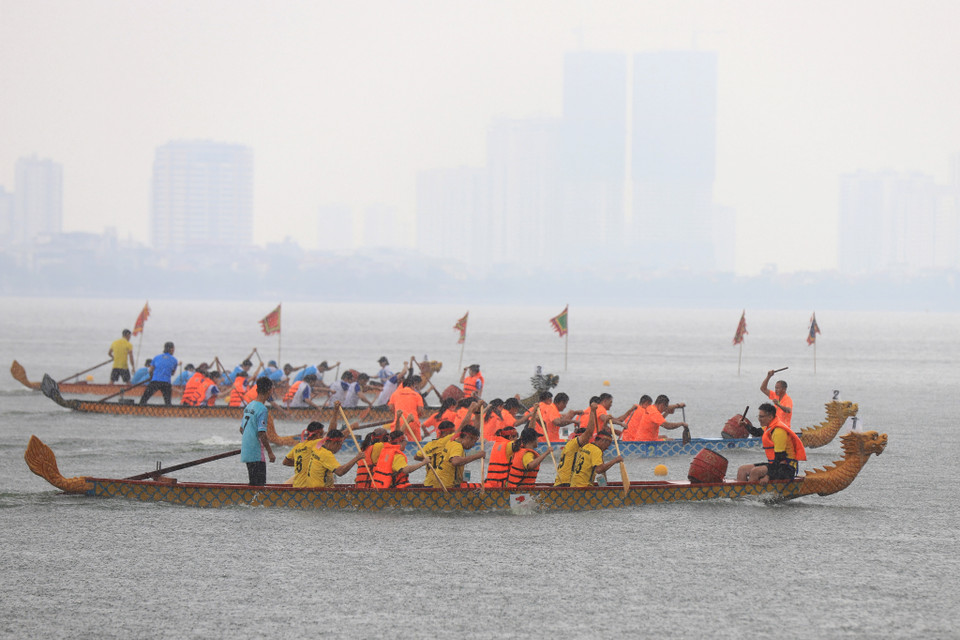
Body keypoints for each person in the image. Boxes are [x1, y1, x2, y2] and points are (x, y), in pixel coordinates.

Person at [736, 403, 807, 482]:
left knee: (755, 472)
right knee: (742, 470)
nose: (759, 419)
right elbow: (756, 432)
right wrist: (745, 425)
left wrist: (768, 476)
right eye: (759, 416)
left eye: (761, 416)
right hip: (775, 465)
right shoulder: (769, 427)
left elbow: (779, 458)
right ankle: (740, 493)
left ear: (770, 417)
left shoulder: (779, 431)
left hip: (787, 468)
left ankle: (751, 494)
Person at [424, 424, 485, 489]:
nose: (473, 445)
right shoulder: (457, 446)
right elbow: (455, 461)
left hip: (440, 482)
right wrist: (477, 456)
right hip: (446, 486)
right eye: (474, 441)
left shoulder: (451, 442)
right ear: (467, 437)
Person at [239, 377, 276, 485]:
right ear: (270, 391)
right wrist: (270, 452)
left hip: (246, 451)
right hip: (256, 453)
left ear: (257, 390)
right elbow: (261, 433)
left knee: (253, 484)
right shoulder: (262, 409)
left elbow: (241, 429)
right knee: (260, 486)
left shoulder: (249, 405)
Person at [555, 402, 599, 486]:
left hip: (570, 484)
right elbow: (589, 432)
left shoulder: (581, 449)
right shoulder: (573, 444)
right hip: (565, 484)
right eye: (587, 440)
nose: (588, 442)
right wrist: (592, 411)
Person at [282, 420, 326, 487]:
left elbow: (285, 462)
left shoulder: (298, 446)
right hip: (308, 487)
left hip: (297, 485)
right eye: (321, 434)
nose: (322, 437)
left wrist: (304, 463)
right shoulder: (315, 443)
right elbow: (331, 437)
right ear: (316, 434)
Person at [388, 376, 426, 440]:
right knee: (416, 445)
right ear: (412, 385)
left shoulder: (395, 394)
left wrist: (397, 414)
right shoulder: (417, 395)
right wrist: (416, 416)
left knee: (394, 442)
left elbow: (391, 408)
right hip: (413, 422)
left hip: (398, 423)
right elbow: (420, 410)